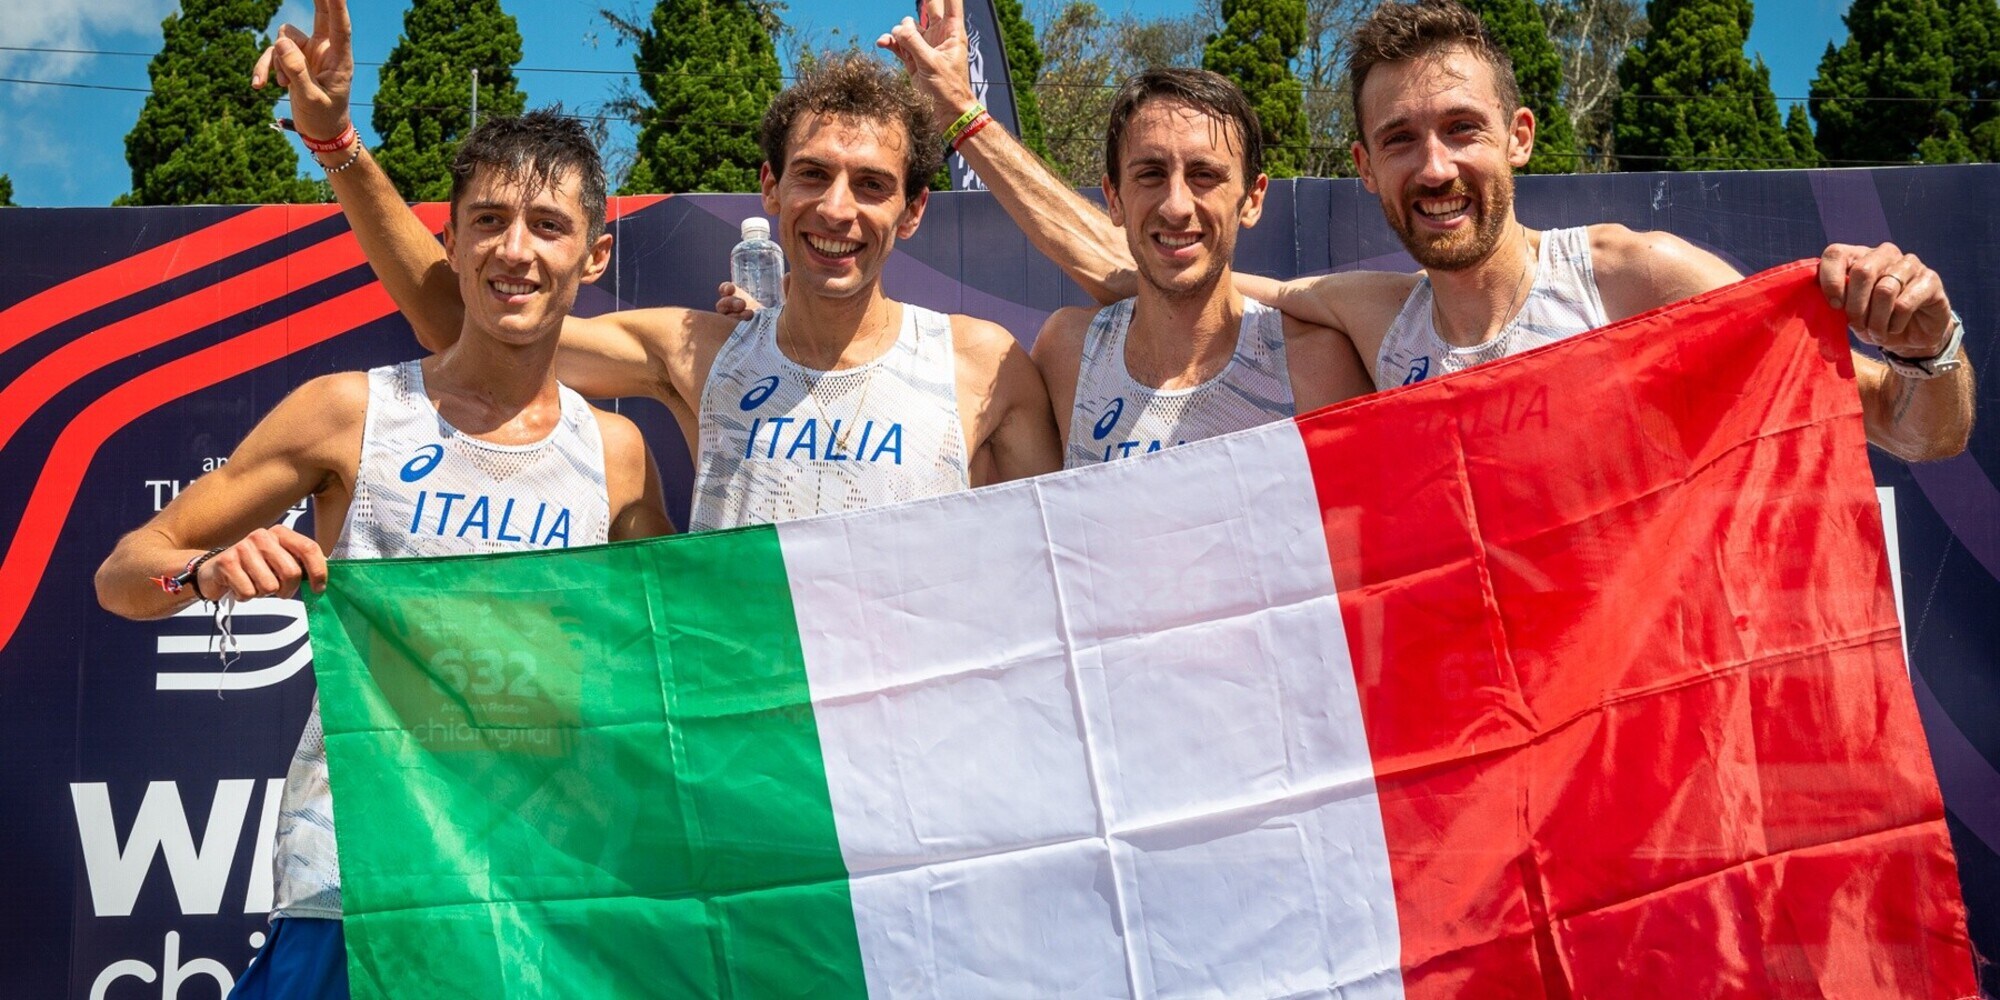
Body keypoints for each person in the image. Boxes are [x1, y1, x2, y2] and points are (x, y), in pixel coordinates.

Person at [95, 111, 673, 999]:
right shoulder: (352, 411)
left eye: (547, 226)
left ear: (592, 256)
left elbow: (662, 662)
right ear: (449, 237)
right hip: (353, 880)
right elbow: (127, 575)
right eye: (488, 220)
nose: (514, 251)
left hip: (539, 892)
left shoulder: (617, 455)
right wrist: (202, 573)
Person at [879, 0, 1976, 461]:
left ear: (1520, 137)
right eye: (1400, 139)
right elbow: (1131, 262)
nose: (1435, 165)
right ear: (1363, 168)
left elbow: (1916, 430)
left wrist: (1927, 347)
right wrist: (962, 116)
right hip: (1467, 754)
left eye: (1460, 130)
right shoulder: (1375, 324)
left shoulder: (1628, 277)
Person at [255, 0, 1060, 532]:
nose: (838, 209)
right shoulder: (701, 351)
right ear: (771, 189)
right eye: (812, 174)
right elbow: (466, 323)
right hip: (745, 771)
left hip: (907, 774)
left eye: (873, 185)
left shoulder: (981, 365)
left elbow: (1048, 577)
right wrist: (337, 146)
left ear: (914, 211)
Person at [1004, 68, 1370, 465]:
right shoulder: (1069, 351)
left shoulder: (1316, 365)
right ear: (1114, 199)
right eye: (1150, 175)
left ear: (1252, 199)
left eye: (1204, 175)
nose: (1175, 206)